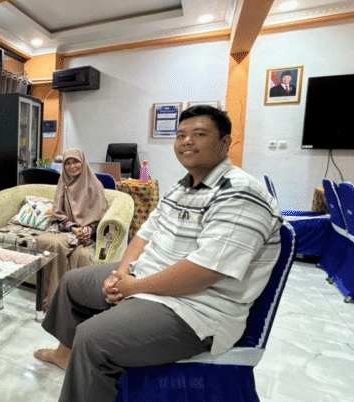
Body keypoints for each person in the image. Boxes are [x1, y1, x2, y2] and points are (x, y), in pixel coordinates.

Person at [33, 106, 282, 402]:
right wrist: (122, 274)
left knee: (93, 337)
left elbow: (205, 272)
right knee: (72, 283)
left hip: (195, 308)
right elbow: (144, 234)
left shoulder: (241, 193)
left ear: (225, 142)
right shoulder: (181, 188)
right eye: (181, 135)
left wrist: (134, 287)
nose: (187, 141)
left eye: (199, 134)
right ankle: (65, 354)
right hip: (150, 278)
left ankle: (88, 371)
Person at [35, 148, 108, 311]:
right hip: (66, 230)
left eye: (76, 162)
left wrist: (85, 232)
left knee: (71, 251)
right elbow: (57, 214)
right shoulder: (63, 183)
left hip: (86, 232)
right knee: (45, 241)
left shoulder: (95, 185)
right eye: (67, 163)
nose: (72, 166)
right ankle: (52, 295)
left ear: (83, 162)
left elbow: (99, 217)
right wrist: (74, 228)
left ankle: (61, 299)